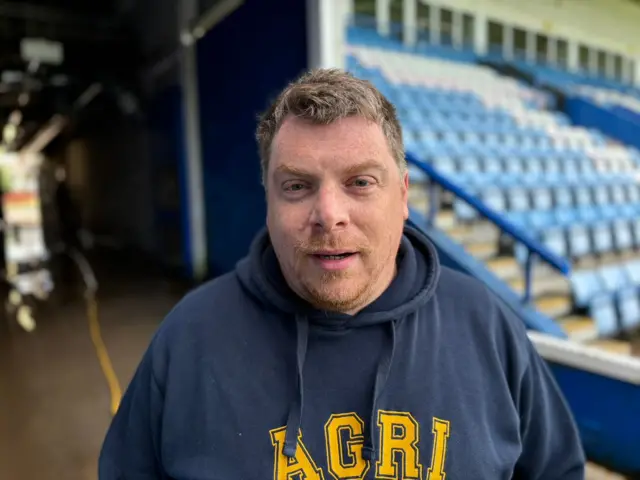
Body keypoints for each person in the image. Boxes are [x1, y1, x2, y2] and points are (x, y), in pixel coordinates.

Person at [98, 68, 586, 479]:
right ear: (267, 201)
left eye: (360, 182)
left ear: (403, 196)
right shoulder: (191, 337)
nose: (328, 213)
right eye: (296, 186)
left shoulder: (486, 326)